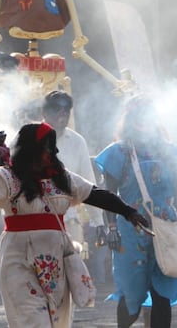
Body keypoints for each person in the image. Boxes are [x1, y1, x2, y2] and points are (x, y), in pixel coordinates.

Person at [0, 122, 150, 328]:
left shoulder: (62, 178)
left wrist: (129, 212)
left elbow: (96, 194)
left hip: (54, 262)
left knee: (54, 319)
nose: (55, 151)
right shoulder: (7, 176)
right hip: (17, 261)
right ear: (32, 150)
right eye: (48, 146)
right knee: (33, 320)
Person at [94, 95, 177, 328]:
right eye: (137, 115)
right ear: (129, 119)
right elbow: (108, 195)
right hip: (130, 230)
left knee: (162, 295)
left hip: (164, 230)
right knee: (131, 295)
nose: (143, 120)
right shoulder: (118, 152)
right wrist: (111, 227)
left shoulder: (168, 151)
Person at [41, 91, 105, 256]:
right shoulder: (28, 138)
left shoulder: (78, 142)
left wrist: (98, 222)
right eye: (57, 108)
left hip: (69, 221)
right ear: (44, 113)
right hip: (36, 222)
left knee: (72, 275)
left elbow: (88, 183)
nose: (63, 112)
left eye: (66, 109)